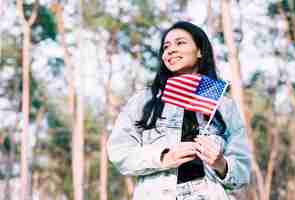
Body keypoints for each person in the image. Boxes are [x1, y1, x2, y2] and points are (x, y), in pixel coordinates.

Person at [107, 21, 251, 200]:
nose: (171, 50)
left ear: (200, 51)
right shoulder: (143, 101)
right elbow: (119, 152)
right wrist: (164, 157)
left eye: (180, 43)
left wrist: (221, 164)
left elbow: (243, 172)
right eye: (166, 47)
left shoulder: (223, 104)